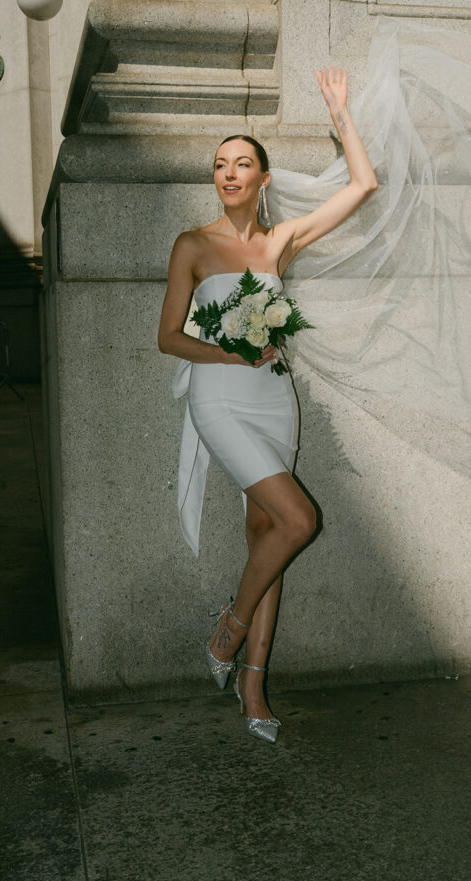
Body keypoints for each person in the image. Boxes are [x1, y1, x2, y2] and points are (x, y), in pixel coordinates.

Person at [158, 67, 378, 742]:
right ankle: (226, 634)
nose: (228, 174)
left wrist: (340, 114)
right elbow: (167, 337)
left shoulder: (279, 242)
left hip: (274, 401)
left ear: (263, 179)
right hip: (220, 400)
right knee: (297, 519)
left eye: (242, 164)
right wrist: (231, 350)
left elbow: (362, 185)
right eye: (220, 165)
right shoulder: (192, 245)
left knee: (268, 539)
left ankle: (252, 688)